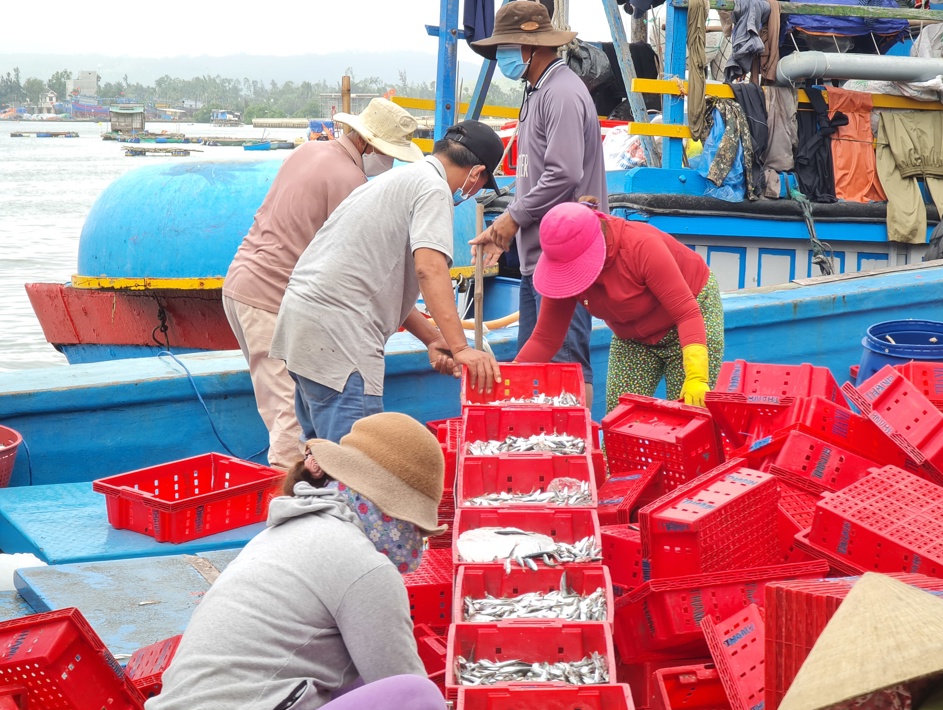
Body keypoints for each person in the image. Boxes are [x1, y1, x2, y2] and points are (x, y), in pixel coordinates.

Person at [145, 412, 451, 710]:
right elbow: (397, 678)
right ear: (396, 513)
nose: (415, 541)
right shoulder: (363, 564)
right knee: (417, 697)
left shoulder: (287, 530)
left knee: (355, 681)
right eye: (417, 529)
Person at [270, 120, 504, 444]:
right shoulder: (433, 188)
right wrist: (461, 348)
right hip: (341, 335)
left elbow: (378, 278)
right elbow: (430, 269)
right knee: (358, 467)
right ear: (476, 174)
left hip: (302, 323)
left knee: (321, 463)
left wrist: (432, 338)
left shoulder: (394, 180)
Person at [222, 98, 423, 470]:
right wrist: (432, 334)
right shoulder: (352, 182)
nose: (389, 164)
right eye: (387, 154)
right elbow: (370, 276)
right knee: (289, 417)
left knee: (286, 403)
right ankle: (287, 507)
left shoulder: (309, 151)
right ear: (366, 144)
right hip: (271, 298)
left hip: (241, 284)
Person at [469, 0, 608, 409]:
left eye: (508, 48)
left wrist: (513, 218)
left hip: (563, 257)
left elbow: (562, 174)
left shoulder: (561, 93)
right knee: (539, 364)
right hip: (537, 257)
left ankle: (575, 449)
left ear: (531, 47)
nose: (504, 58)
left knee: (566, 365)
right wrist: (510, 231)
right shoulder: (537, 92)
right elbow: (535, 176)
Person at [513, 200, 724, 411]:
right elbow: (545, 339)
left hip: (690, 322)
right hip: (632, 335)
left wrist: (697, 376)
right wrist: (510, 380)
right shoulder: (563, 264)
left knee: (687, 415)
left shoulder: (641, 246)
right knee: (619, 416)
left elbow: (686, 314)